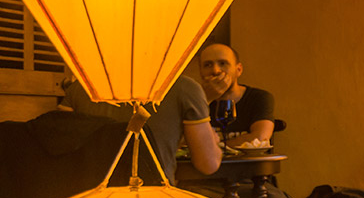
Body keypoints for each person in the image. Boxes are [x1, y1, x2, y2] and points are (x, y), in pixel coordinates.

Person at [63, 75, 221, 185]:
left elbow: (59, 149)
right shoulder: (184, 87)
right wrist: (213, 139)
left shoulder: (78, 89)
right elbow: (208, 164)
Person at [198, 43, 276, 148]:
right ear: (201, 72)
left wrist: (213, 148)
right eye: (208, 65)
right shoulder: (192, 101)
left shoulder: (258, 98)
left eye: (222, 63)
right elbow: (178, 141)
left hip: (247, 163)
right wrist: (206, 100)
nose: (215, 71)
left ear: (238, 70)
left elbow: (260, 137)